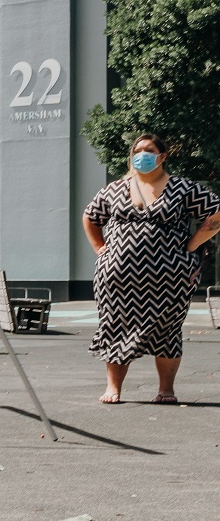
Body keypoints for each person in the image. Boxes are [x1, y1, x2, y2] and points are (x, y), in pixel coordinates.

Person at [83, 133, 220, 404]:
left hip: (171, 277)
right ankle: (113, 388)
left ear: (162, 156)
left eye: (149, 149)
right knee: (115, 326)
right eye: (138, 150)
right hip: (117, 278)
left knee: (167, 330)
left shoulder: (183, 187)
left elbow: (215, 213)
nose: (142, 155)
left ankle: (166, 390)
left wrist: (192, 244)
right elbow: (91, 216)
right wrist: (100, 249)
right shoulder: (115, 188)